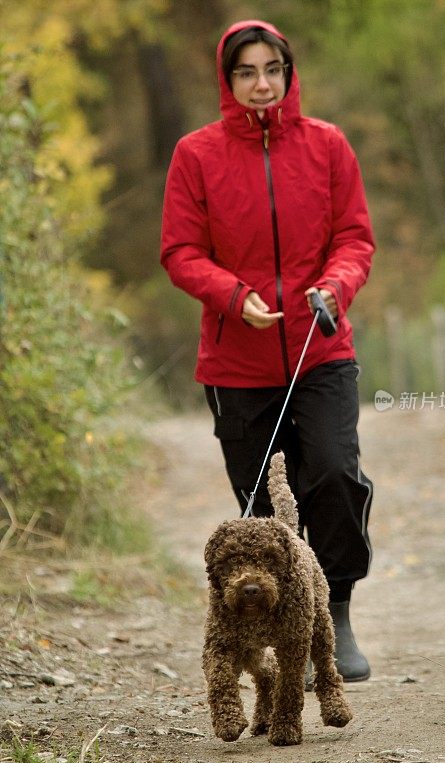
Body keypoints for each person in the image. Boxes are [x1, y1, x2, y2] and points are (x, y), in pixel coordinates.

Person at [161, 20, 375, 682]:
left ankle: (333, 609)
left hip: (320, 348)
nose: (262, 83)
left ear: (289, 73)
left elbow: (355, 236)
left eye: (272, 69)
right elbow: (180, 252)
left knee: (335, 474)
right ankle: (277, 639)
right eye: (247, 71)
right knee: (259, 516)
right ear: (228, 82)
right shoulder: (195, 155)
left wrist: (335, 286)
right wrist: (232, 296)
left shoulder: (328, 145)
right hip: (237, 365)